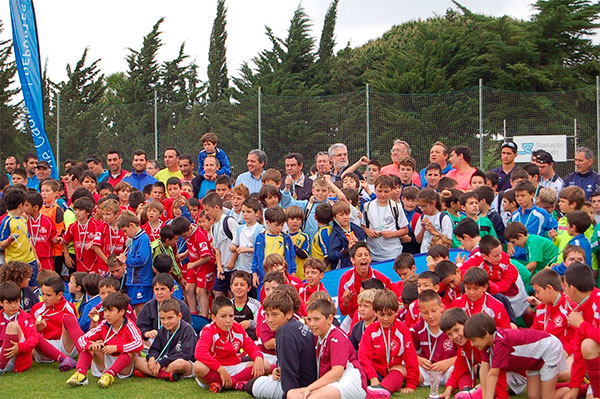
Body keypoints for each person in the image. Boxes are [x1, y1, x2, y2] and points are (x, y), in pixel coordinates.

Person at [465, 313, 567, 399]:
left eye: (473, 340)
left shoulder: (500, 342)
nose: (472, 344)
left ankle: (572, 391)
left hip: (549, 349)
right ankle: (555, 387)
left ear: (486, 334)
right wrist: (484, 395)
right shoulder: (487, 343)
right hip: (534, 361)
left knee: (547, 397)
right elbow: (484, 369)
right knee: (533, 396)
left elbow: (493, 374)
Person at [287, 297, 367, 399]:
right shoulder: (317, 335)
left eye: (316, 319)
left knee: (312, 397)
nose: (312, 324)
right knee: (291, 394)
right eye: (309, 319)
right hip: (332, 382)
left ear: (330, 319)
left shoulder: (337, 338)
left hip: (351, 380)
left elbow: (337, 372)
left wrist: (310, 388)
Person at [246, 287, 317, 399]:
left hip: (301, 386)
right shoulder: (295, 324)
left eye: (275, 314)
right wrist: (278, 370)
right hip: (310, 380)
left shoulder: (284, 333)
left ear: (289, 313)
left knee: (250, 385)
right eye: (267, 314)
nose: (269, 320)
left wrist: (290, 395)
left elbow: (290, 374)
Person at [66, 292, 143, 388]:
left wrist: (116, 348)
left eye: (110, 311)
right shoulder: (103, 324)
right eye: (105, 311)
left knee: (131, 352)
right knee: (89, 346)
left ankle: (109, 375)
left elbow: (139, 343)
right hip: (105, 361)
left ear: (122, 312)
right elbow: (82, 339)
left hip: (124, 366)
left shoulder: (129, 325)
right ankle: (80, 374)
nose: (106, 315)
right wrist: (89, 345)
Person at [193, 296, 268, 393]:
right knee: (198, 366)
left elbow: (250, 346)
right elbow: (200, 353)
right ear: (213, 318)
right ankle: (235, 384)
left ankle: (224, 383)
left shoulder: (237, 327)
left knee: (264, 365)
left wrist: (258, 357)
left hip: (233, 366)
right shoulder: (208, 330)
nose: (228, 320)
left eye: (231, 316)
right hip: (214, 369)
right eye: (223, 316)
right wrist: (220, 369)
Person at [358, 289, 419, 398]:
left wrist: (411, 384)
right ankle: (372, 388)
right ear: (375, 312)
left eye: (390, 314)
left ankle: (382, 390)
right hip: (373, 371)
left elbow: (411, 356)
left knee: (399, 369)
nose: (386, 318)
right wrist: (372, 377)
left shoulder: (402, 329)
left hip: (393, 370)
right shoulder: (371, 330)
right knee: (357, 369)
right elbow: (363, 356)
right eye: (381, 314)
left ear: (396, 312)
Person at [440, 308, 511, 399]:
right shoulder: (464, 346)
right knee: (464, 373)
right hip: (495, 373)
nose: (455, 336)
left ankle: (471, 393)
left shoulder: (481, 341)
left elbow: (498, 371)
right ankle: (467, 390)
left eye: (457, 330)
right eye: (449, 334)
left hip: (511, 373)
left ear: (466, 325)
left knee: (485, 386)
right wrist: (448, 390)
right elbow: (459, 368)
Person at [134, 298, 196, 381]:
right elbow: (155, 349)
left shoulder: (187, 329)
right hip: (163, 362)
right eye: (162, 318)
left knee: (180, 364)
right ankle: (165, 375)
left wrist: (162, 362)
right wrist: (152, 358)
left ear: (179, 316)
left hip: (182, 363)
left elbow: (185, 354)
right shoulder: (162, 329)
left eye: (170, 318)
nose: (166, 322)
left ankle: (151, 372)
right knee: (137, 360)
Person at [562, 262, 600, 399]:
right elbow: (578, 351)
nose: (563, 291)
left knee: (589, 345)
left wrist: (581, 324)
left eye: (564, 287)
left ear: (572, 289)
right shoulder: (582, 308)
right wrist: (574, 387)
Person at [171, 216, 215, 317]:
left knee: (200, 290)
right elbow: (193, 246)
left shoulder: (199, 236)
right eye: (181, 236)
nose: (184, 237)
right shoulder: (188, 234)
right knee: (188, 289)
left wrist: (193, 264)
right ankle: (193, 315)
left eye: (184, 235)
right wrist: (186, 253)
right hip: (194, 263)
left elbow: (207, 256)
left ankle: (204, 317)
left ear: (190, 228)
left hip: (204, 265)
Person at [410, 290, 456, 387]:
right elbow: (408, 353)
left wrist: (447, 363)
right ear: (420, 312)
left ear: (442, 308)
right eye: (425, 312)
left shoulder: (452, 325)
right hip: (428, 371)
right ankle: (425, 381)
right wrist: (419, 360)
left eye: (434, 311)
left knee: (459, 368)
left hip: (448, 369)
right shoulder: (417, 329)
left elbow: (465, 354)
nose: (430, 316)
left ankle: (453, 382)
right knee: (408, 368)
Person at [337, 242, 393, 317]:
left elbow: (392, 300)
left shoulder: (380, 278)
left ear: (370, 259)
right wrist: (346, 302)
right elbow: (343, 312)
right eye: (359, 255)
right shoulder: (346, 279)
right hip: (353, 317)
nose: (364, 257)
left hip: (376, 317)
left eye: (366, 255)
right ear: (352, 260)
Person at [361, 175, 409, 262]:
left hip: (392, 253)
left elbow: (405, 229)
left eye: (386, 191)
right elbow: (363, 225)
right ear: (374, 189)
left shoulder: (396, 207)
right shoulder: (367, 206)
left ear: (391, 191)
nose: (382, 194)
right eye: (379, 191)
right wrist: (367, 231)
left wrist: (392, 234)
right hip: (373, 253)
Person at [116, 211, 153, 314]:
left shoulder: (143, 238)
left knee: (142, 311)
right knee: (136, 310)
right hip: (133, 282)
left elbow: (142, 259)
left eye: (125, 231)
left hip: (141, 281)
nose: (125, 234)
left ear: (131, 225)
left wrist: (126, 260)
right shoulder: (134, 239)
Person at [137, 273, 191, 343]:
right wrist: (146, 333)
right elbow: (139, 328)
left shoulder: (182, 307)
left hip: (176, 342)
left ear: (172, 290)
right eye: (156, 289)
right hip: (153, 342)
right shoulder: (148, 307)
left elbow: (187, 331)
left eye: (163, 289)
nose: (159, 293)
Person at [203, 192, 239, 297]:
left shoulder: (229, 221)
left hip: (234, 266)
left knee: (233, 292)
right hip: (223, 266)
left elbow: (238, 242)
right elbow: (217, 249)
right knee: (217, 291)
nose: (206, 213)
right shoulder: (214, 226)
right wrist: (219, 267)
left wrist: (232, 260)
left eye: (207, 210)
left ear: (217, 207)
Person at [251, 207, 296, 290]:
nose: (280, 228)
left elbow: (291, 257)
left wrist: (292, 274)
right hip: (264, 277)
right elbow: (255, 257)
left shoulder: (286, 238)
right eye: (277, 225)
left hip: (282, 277)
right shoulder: (260, 238)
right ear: (267, 223)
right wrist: (254, 274)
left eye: (282, 225)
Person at [0, 188, 38, 285]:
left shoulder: (23, 219)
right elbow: (1, 245)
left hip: (30, 260)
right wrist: (10, 239)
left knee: (33, 288)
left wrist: (35, 257)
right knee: (16, 288)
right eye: (24, 205)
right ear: (20, 205)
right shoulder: (7, 221)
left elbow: (28, 239)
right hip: (15, 263)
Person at [0, 281, 39, 373]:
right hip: (3, 351)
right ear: (1, 303)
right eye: (9, 303)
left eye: (16, 301)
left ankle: (1, 366)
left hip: (18, 356)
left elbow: (34, 339)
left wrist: (20, 347)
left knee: (12, 326)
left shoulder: (26, 318)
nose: (13, 306)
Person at [62, 197, 101, 274]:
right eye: (75, 210)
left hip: (95, 264)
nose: (77, 212)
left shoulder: (97, 225)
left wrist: (94, 241)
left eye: (80, 210)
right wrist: (66, 256)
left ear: (88, 212)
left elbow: (104, 238)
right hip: (80, 265)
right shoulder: (72, 227)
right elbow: (65, 241)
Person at [24, 191, 59, 272]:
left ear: (35, 207)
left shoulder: (48, 221)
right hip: (29, 259)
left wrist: (57, 240)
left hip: (46, 259)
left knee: (48, 281)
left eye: (26, 205)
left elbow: (53, 238)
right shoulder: (24, 221)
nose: (24, 208)